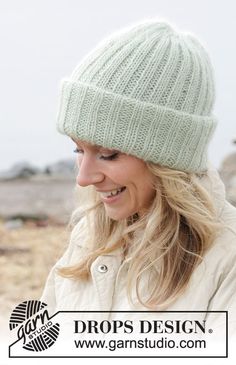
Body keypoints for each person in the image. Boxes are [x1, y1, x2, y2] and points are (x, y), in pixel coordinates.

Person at [41, 20, 236, 349]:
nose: (84, 177)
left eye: (108, 154)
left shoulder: (226, 257)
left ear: (168, 159)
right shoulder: (89, 234)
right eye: (79, 149)